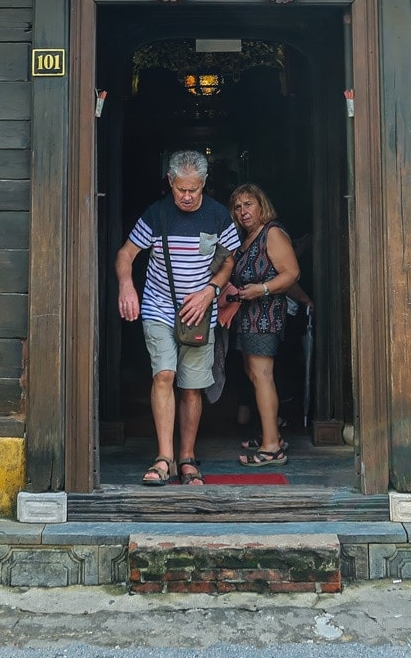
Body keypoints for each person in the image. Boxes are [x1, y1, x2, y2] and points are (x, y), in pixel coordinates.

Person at [116, 151, 239, 486]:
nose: (187, 196)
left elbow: (229, 259)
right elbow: (126, 253)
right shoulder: (157, 214)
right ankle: (163, 458)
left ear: (204, 185)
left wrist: (210, 292)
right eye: (181, 189)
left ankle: (187, 458)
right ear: (170, 182)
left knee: (191, 387)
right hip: (159, 307)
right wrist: (127, 286)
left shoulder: (217, 216)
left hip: (199, 314)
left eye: (194, 190)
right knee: (164, 375)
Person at [224, 183, 301, 467]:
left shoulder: (273, 233)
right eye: (238, 206)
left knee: (262, 375)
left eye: (249, 204)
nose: (243, 211)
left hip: (264, 314)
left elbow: (292, 273)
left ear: (261, 206)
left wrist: (263, 289)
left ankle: (272, 448)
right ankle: (273, 435)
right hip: (247, 316)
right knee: (254, 374)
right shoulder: (248, 238)